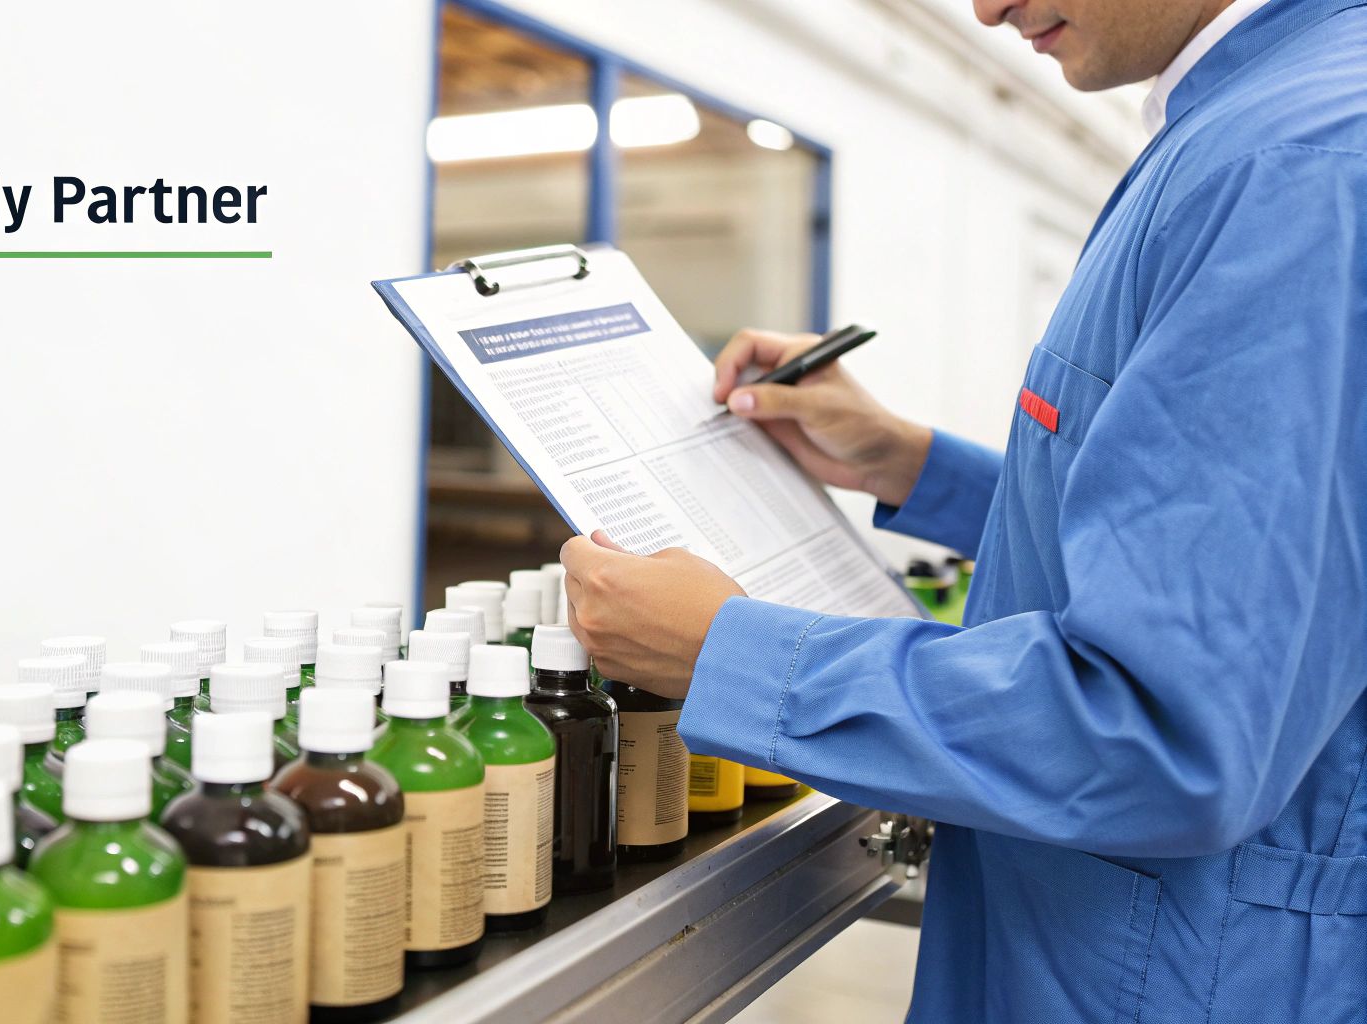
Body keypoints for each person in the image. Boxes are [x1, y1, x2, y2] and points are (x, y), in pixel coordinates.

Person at [560, 0, 1367, 1019]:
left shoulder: (1293, 170)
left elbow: (1159, 733)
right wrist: (911, 465)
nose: (985, 9)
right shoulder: (1250, 119)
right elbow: (1240, 552)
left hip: (1175, 976)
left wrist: (731, 655)